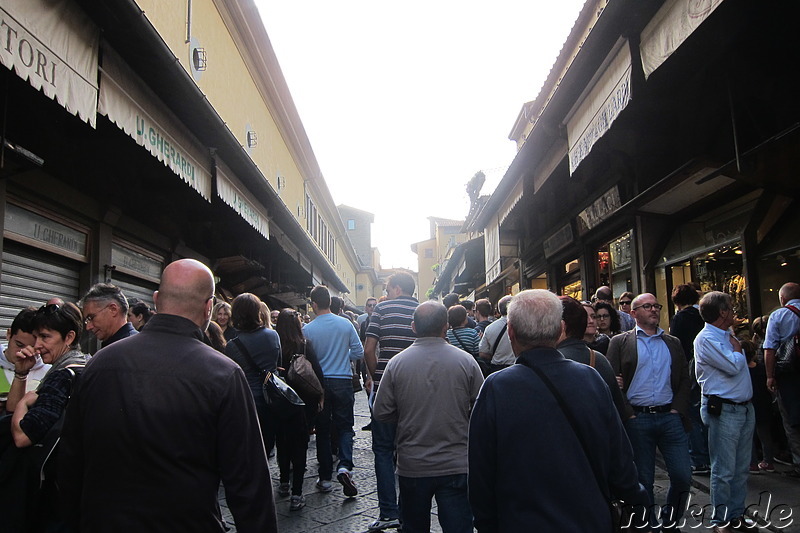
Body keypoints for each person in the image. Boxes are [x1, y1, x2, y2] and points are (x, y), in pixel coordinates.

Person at [58, 259, 277, 532]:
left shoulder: (99, 364)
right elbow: (248, 484)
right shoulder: (224, 374)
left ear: (157, 299)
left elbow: (69, 463)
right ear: (209, 307)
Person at [469, 290, 647, 532]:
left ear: (511, 331)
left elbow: (481, 470)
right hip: (589, 519)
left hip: (522, 522)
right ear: (559, 329)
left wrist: (486, 523)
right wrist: (636, 502)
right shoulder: (590, 379)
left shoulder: (497, 387)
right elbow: (619, 458)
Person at [373, 301, 483, 533]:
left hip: (413, 465)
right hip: (457, 464)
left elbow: (382, 412)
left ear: (413, 327)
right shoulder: (466, 361)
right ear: (445, 327)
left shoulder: (396, 364)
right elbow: (480, 409)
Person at [607, 293, 692, 531]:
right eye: (647, 306)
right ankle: (648, 525)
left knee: (683, 476)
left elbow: (685, 378)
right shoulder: (620, 342)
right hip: (638, 419)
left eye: (656, 306)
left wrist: (677, 409)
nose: (654, 310)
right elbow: (612, 381)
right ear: (633, 313)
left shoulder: (672, 342)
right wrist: (628, 414)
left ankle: (671, 521)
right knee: (644, 480)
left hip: (669, 417)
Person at [3, 302, 89, 531]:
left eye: (45, 337)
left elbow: (22, 435)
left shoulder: (63, 375)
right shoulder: (86, 364)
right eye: (35, 337)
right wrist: (22, 372)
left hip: (52, 494)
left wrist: (25, 402)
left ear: (69, 337)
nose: (37, 345)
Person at [694, 291, 754, 532]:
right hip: (724, 410)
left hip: (743, 408)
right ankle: (721, 520)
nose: (734, 310)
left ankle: (736, 514)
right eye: (730, 307)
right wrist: (738, 348)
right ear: (722, 312)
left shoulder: (727, 335)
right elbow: (733, 365)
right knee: (724, 469)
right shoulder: (706, 338)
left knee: (740, 468)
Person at [364, 272, 419, 531]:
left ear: (396, 289)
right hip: (416, 388)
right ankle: (410, 512)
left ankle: (388, 512)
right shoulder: (422, 309)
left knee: (383, 449)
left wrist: (376, 377)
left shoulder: (382, 309)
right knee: (410, 448)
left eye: (388, 287)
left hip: (387, 387)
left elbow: (368, 349)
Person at [303, 285, 364, 497]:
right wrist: (341, 357)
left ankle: (325, 477)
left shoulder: (308, 329)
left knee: (323, 428)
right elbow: (358, 351)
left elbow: (307, 359)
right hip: (343, 380)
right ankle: (345, 466)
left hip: (319, 383)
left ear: (313, 304)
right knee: (345, 426)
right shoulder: (345, 324)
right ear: (330, 302)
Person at [274, 308, 324, 511]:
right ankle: (296, 493)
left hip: (280, 401)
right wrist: (321, 395)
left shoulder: (274, 345)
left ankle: (284, 482)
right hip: (303, 402)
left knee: (282, 442)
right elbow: (317, 374)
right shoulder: (304, 345)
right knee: (300, 446)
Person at [224, 293, 282, 454]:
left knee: (248, 446)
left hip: (245, 400)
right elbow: (279, 363)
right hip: (272, 398)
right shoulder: (273, 335)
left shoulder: (232, 345)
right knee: (267, 444)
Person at [557, 296, 626, 420]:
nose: (590, 321)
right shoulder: (598, 359)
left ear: (562, 325)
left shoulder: (553, 358)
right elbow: (618, 411)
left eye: (593, 316)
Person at [670, 283, 710, 476]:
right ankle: (711, 456)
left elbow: (676, 348)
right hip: (708, 369)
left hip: (689, 369)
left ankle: (699, 458)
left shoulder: (680, 318)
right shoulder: (704, 315)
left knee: (691, 413)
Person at [764, 281, 800, 478]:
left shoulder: (779, 315)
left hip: (789, 373)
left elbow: (769, 348)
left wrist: (770, 376)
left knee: (791, 418)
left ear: (783, 298)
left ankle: (798, 462)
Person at [2, 308, 50, 412]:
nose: (22, 353)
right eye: (19, 345)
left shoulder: (49, 371)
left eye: (32, 348)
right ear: (9, 334)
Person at [478, 295, 514, 373]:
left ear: (499, 310)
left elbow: (482, 353)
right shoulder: (522, 325)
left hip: (497, 369)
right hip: (517, 367)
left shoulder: (490, 328)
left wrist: (495, 355)